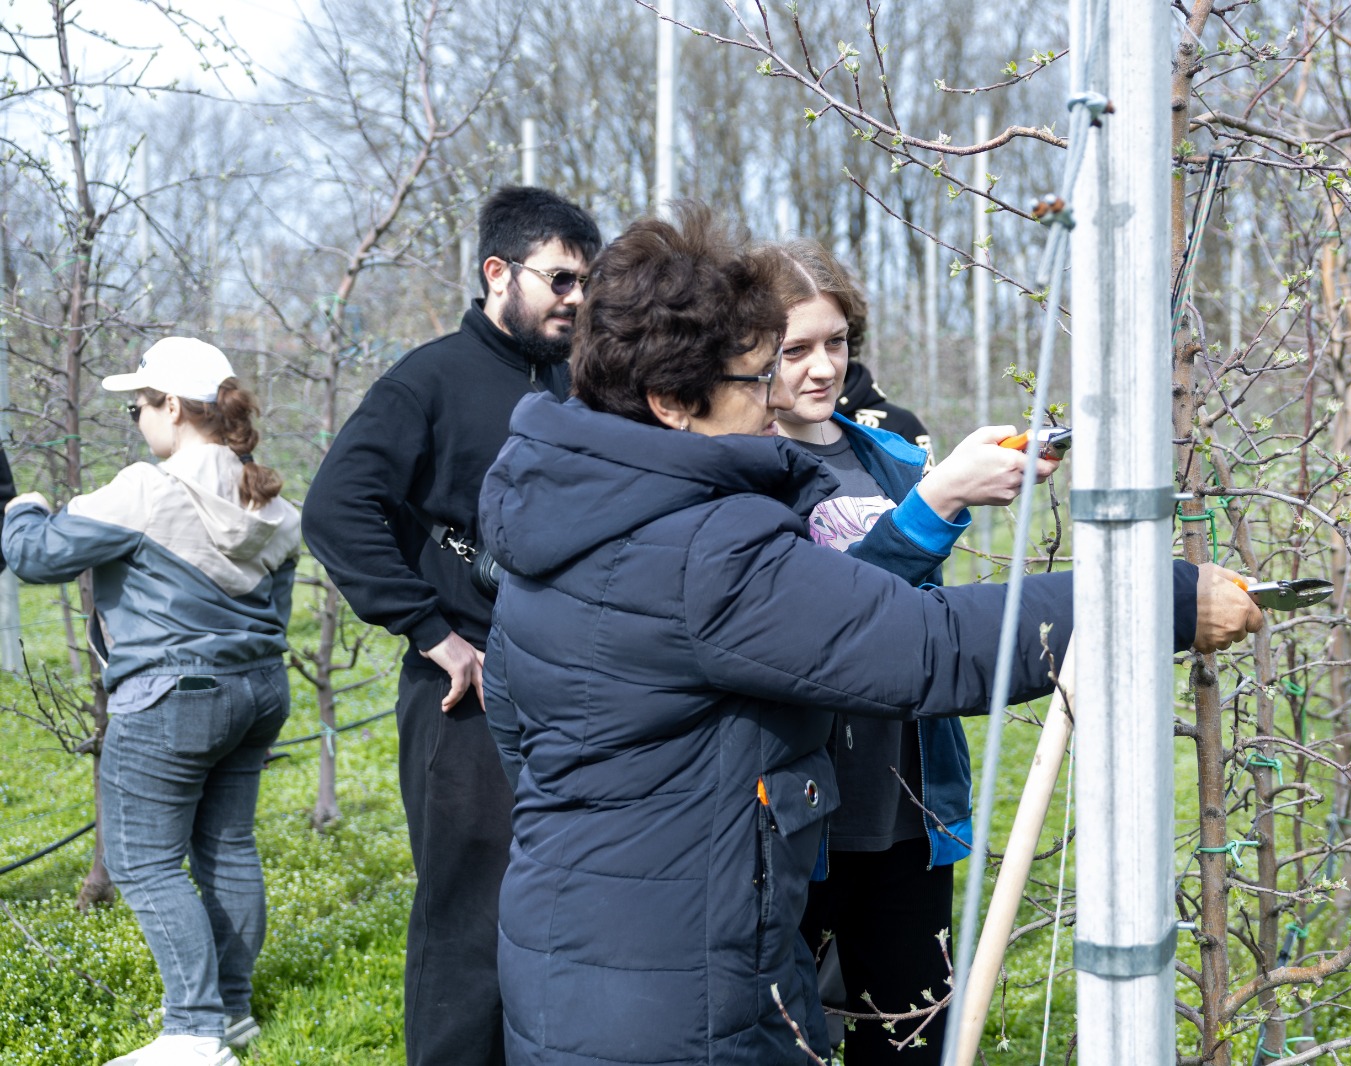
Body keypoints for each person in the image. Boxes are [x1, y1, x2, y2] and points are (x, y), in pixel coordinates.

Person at [478, 204, 1262, 1065]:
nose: (777, 399)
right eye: (757, 378)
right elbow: (929, 647)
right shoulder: (706, 545)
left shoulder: (557, 513)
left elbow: (516, 730)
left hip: (560, 959)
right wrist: (1160, 599)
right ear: (670, 403)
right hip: (680, 994)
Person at [300, 186, 601, 1066]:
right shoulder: (428, 380)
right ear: (497, 272)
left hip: (567, 692)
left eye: (587, 282)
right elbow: (335, 508)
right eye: (560, 279)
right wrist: (431, 630)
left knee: (556, 917)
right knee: (469, 926)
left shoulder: (577, 384)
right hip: (462, 700)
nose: (576, 299)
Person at [758, 238, 1051, 1063]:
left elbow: (908, 622)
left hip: (906, 810)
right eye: (795, 350)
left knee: (910, 1034)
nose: (823, 368)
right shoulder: (744, 469)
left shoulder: (889, 457)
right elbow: (819, 626)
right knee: (783, 1038)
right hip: (794, 814)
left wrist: (951, 483)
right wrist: (940, 499)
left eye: (837, 342)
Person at [3, 338, 299, 1066]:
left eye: (137, 407)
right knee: (228, 847)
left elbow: (35, 555)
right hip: (260, 690)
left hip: (173, 697)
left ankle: (194, 1032)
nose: (136, 420)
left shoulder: (145, 490)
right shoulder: (272, 503)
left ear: (173, 407)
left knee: (142, 862)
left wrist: (23, 505)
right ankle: (231, 1013)